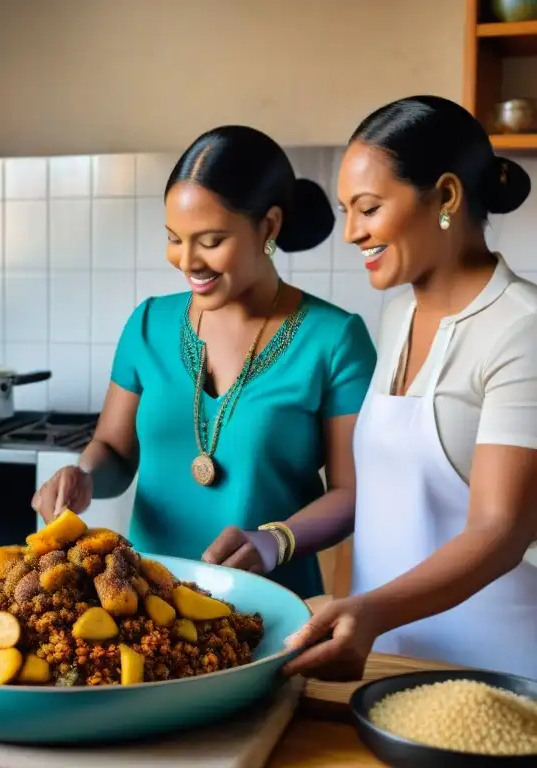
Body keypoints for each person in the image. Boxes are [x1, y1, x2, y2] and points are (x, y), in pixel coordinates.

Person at [32, 126, 377, 599]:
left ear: (269, 227)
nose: (187, 260)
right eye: (174, 238)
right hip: (147, 603)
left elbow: (351, 494)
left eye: (211, 241)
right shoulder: (148, 324)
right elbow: (113, 450)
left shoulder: (335, 339)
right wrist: (84, 476)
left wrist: (275, 541)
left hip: (272, 603)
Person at [284, 95, 537, 681]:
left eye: (368, 208)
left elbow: (501, 531)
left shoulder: (522, 328)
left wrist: (370, 611)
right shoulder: (395, 316)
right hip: (385, 658)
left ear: (446, 196)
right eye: (347, 210)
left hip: (496, 668)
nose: (351, 233)